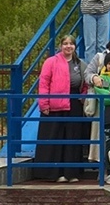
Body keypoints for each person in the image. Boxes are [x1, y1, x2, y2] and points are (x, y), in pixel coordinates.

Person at [36, 35, 87, 182]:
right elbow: (44, 83)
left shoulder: (81, 63)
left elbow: (85, 84)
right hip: (55, 105)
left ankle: (71, 173)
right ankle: (53, 173)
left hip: (75, 104)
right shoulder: (50, 62)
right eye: (65, 44)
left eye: (71, 44)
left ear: (75, 47)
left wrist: (83, 97)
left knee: (73, 137)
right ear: (60, 45)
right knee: (55, 138)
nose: (68, 46)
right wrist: (44, 103)